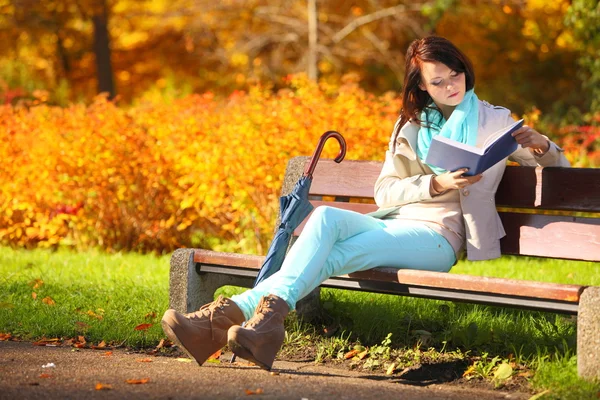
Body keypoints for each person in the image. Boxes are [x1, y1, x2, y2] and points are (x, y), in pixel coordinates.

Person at [161, 35, 570, 371]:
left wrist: (542, 146)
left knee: (341, 251)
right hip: (395, 221)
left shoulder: (493, 120)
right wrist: (434, 183)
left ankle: (229, 318)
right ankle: (257, 324)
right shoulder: (411, 125)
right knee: (324, 219)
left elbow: (561, 168)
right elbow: (385, 192)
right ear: (422, 86)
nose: (451, 85)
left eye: (455, 74)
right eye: (438, 80)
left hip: (440, 237)